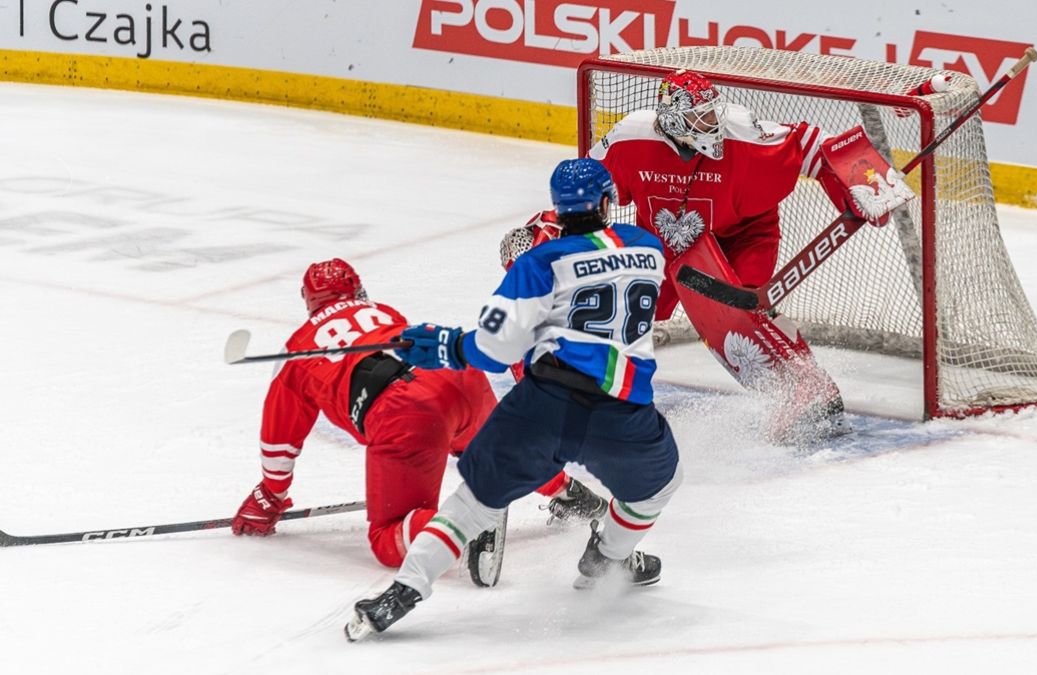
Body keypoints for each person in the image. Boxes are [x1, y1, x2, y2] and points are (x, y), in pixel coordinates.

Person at [344, 158, 682, 641]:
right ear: (607, 202)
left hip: (543, 404)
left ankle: (402, 592)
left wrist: (445, 344)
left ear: (558, 210)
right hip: (622, 414)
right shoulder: (649, 248)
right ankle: (605, 559)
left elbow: (496, 349)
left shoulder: (537, 264)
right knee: (657, 488)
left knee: (470, 505)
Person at [231, 258, 601, 577]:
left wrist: (270, 497)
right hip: (459, 376)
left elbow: (279, 439)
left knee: (387, 537)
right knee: (499, 450)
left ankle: (469, 527)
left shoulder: (297, 349)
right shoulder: (382, 312)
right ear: (358, 289)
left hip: (404, 413)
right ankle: (571, 493)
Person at [588, 69, 885, 439]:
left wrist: (866, 181)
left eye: (714, 112)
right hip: (664, 242)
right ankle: (598, 388)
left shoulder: (743, 132)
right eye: (702, 117)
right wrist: (557, 227)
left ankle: (807, 390)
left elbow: (817, 144)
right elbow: (586, 184)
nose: (714, 123)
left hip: (743, 235)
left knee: (744, 314)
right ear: (673, 120)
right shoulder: (630, 137)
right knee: (625, 307)